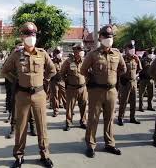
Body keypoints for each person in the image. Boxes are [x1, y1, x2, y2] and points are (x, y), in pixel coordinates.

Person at [1, 22, 56, 168]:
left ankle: (45, 155)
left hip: (39, 94)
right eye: (27, 34)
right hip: (22, 94)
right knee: (21, 127)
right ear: (22, 36)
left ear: (35, 36)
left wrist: (45, 81)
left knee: (41, 126)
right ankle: (19, 157)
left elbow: (52, 70)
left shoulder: (42, 53)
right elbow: (4, 71)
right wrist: (16, 81)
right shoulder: (16, 54)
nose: (30, 37)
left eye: (32, 34)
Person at [82, 25, 126, 157]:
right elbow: (83, 70)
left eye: (110, 36)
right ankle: (90, 145)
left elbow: (123, 69)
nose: (108, 39)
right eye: (106, 36)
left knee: (109, 118)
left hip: (111, 91)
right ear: (100, 38)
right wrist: (91, 81)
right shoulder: (93, 54)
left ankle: (110, 144)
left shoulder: (117, 53)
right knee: (93, 119)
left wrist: (114, 78)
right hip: (96, 91)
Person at [60, 43, 87, 131]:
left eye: (82, 50)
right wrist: (67, 82)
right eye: (80, 50)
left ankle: (83, 121)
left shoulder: (85, 61)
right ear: (75, 51)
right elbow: (62, 73)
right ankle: (68, 123)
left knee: (83, 106)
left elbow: (89, 72)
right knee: (70, 107)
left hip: (83, 88)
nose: (81, 52)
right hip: (71, 88)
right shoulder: (68, 62)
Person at [118, 40, 142, 126]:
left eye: (133, 48)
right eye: (130, 48)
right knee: (123, 101)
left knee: (134, 101)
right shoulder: (122, 58)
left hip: (134, 82)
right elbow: (118, 70)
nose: (132, 50)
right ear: (126, 49)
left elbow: (139, 69)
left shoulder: (136, 58)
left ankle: (132, 117)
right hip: (125, 83)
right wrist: (121, 77)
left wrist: (137, 75)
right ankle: (120, 118)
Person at [50, 47, 66, 117]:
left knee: (65, 96)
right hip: (54, 81)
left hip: (62, 81)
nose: (58, 54)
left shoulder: (65, 61)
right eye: (57, 52)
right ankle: (55, 110)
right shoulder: (51, 61)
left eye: (59, 52)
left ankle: (68, 109)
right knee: (55, 97)